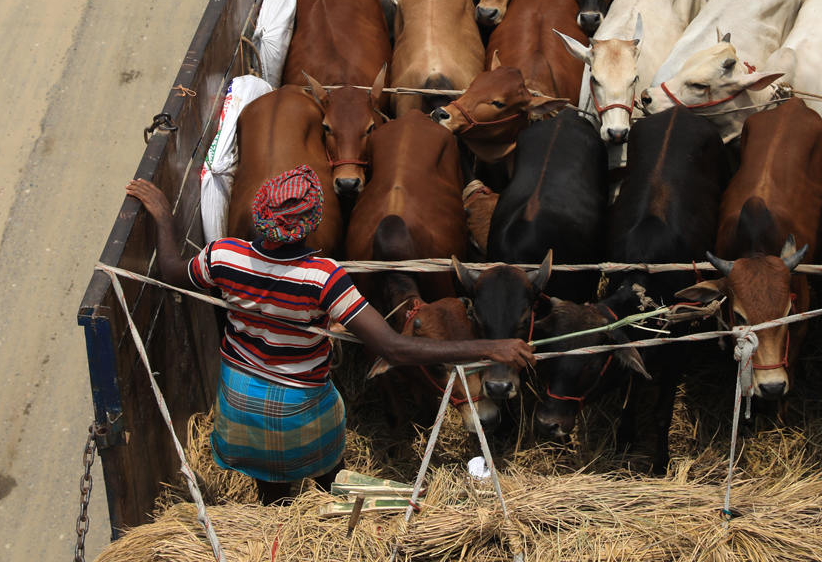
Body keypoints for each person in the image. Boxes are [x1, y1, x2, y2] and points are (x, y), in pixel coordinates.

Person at [126, 166, 534, 505]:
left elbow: (170, 269)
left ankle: (277, 516)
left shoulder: (222, 256)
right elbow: (393, 347)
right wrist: (493, 346)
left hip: (239, 401)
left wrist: (164, 215)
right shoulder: (324, 279)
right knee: (331, 485)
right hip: (300, 406)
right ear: (315, 223)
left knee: (273, 498)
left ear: (259, 214)